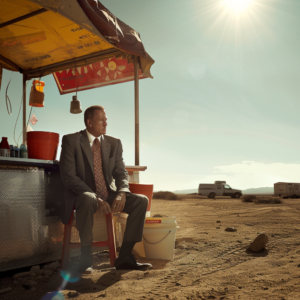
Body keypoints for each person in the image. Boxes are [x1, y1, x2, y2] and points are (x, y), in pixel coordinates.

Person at [59, 105, 152, 273]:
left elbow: (120, 172)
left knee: (141, 201)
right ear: (89, 122)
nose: (106, 124)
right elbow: (69, 177)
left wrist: (122, 192)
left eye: (106, 120)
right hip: (82, 196)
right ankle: (86, 259)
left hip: (108, 194)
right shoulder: (71, 141)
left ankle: (124, 257)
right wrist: (96, 197)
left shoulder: (114, 143)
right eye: (101, 120)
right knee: (88, 197)